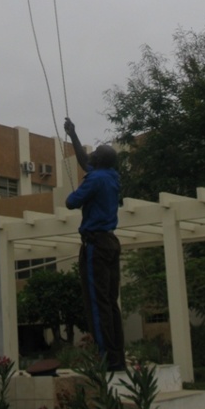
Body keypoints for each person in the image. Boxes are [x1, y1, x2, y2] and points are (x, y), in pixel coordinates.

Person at [64, 117, 125, 371]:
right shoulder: (111, 176)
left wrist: (74, 193)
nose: (92, 153)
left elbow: (71, 202)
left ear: (100, 160)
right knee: (110, 302)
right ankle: (117, 357)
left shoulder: (96, 179)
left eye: (96, 153)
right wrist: (73, 135)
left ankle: (105, 360)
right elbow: (84, 161)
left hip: (95, 245)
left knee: (97, 303)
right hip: (110, 242)